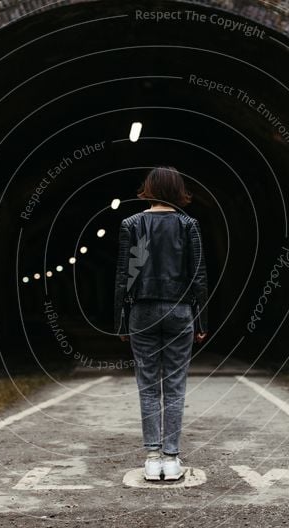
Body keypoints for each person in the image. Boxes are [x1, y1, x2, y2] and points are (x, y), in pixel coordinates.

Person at [113, 166, 209, 481]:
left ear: (149, 189)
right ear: (178, 192)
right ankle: (172, 457)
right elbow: (198, 277)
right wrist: (201, 320)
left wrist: (120, 322)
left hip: (142, 311)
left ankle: (152, 459)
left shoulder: (132, 224)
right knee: (175, 385)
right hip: (180, 310)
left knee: (149, 386)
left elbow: (124, 277)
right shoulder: (188, 225)